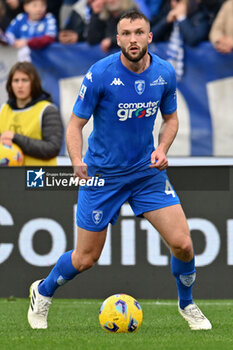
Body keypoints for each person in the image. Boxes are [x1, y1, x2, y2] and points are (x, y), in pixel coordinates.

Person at [27, 10, 212, 331]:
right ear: (118, 39)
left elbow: (170, 119)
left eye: (139, 32)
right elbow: (74, 125)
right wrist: (77, 160)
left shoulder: (164, 73)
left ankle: (188, 304)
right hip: (102, 177)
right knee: (85, 258)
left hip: (146, 174)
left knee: (183, 243)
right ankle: (42, 292)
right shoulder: (100, 73)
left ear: (150, 36)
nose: (133, 39)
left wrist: (161, 149)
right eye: (126, 34)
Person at [0, 61, 63, 165]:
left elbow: (52, 148)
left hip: (38, 176)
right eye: (16, 80)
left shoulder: (47, 110)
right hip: (9, 177)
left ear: (34, 83)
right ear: (10, 84)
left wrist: (15, 138)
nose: (20, 85)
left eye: (25, 80)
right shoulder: (3, 109)